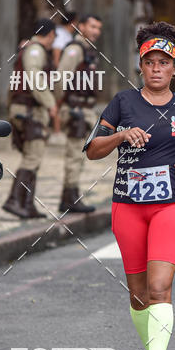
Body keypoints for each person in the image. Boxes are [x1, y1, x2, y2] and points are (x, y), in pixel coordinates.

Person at [85, 21, 175, 350]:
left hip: (173, 204)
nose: (156, 68)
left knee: (159, 287)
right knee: (138, 295)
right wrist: (121, 135)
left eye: (163, 62)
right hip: (128, 206)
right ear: (141, 66)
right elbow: (91, 149)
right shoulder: (123, 102)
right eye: (149, 62)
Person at [3, 18, 56, 219]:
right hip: (29, 110)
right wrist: (50, 103)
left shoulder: (29, 48)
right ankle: (15, 201)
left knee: (33, 156)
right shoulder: (35, 50)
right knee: (32, 156)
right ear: (50, 35)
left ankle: (27, 204)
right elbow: (35, 79)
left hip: (25, 109)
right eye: (53, 37)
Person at [56, 14, 103, 213]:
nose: (95, 31)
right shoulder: (75, 50)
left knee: (79, 155)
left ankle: (71, 195)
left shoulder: (87, 50)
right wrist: (60, 106)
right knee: (74, 154)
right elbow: (60, 80)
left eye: (98, 28)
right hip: (76, 109)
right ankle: (70, 198)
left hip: (85, 109)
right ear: (81, 26)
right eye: (92, 26)